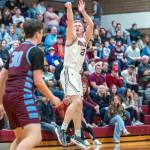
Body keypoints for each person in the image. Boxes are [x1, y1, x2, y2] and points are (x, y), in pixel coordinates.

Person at [0, 20, 61, 150]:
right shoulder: (36, 51)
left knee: (21, 139)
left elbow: (1, 77)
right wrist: (53, 97)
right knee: (35, 136)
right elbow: (38, 82)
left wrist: (0, 103)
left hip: (8, 98)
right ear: (38, 33)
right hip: (22, 97)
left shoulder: (15, 51)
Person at [59, 0, 94, 148]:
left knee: (78, 105)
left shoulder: (84, 41)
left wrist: (83, 12)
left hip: (76, 75)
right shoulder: (71, 38)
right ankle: (63, 130)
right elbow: (70, 21)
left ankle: (78, 135)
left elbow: (91, 25)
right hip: (68, 71)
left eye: (80, 25)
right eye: (76, 26)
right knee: (77, 102)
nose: (78, 26)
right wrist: (69, 9)